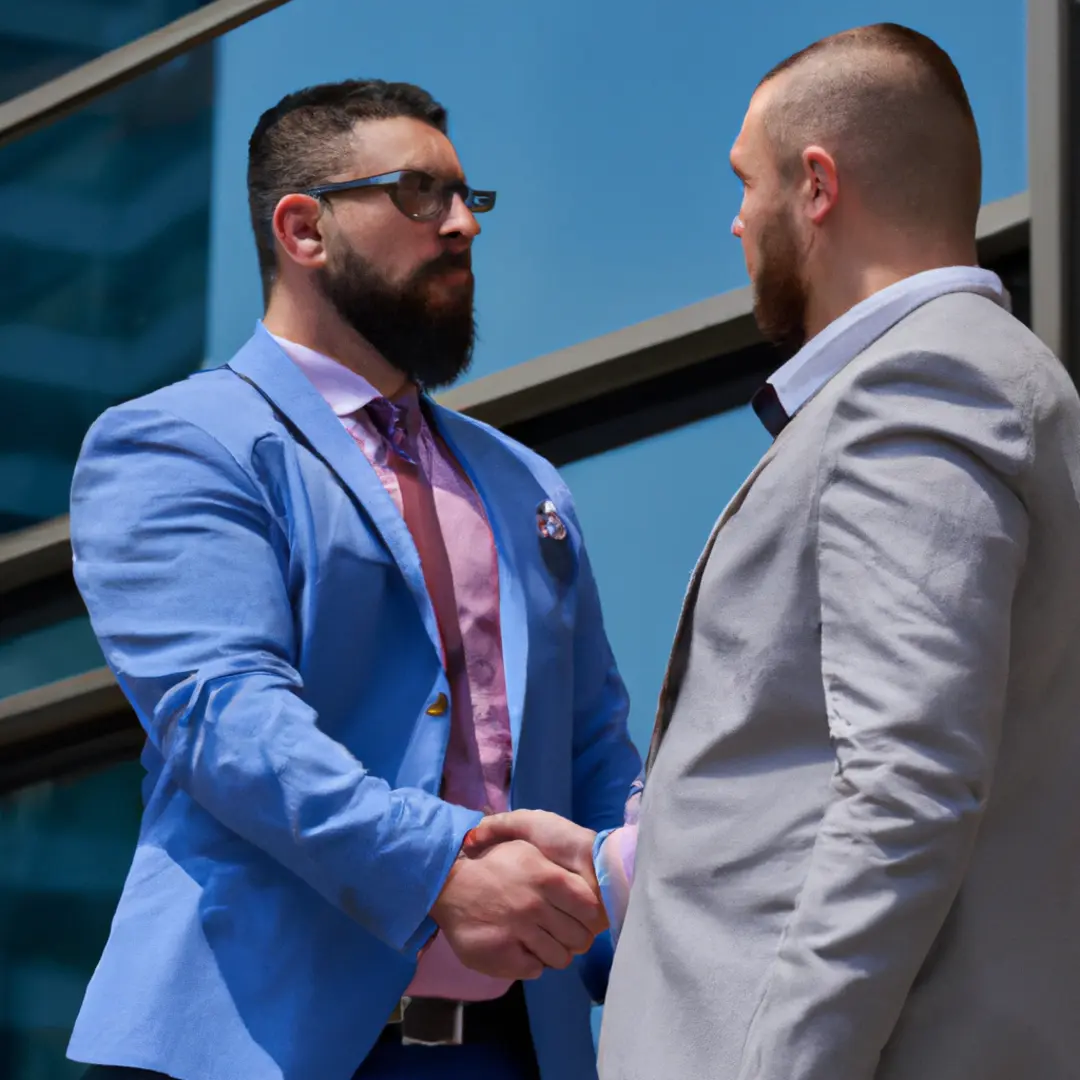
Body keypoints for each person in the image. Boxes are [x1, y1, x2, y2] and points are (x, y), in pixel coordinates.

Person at [468, 23, 1080, 1080]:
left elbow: (909, 788)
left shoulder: (919, 388)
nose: (736, 220)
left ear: (817, 184)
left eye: (746, 183)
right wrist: (630, 865)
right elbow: (813, 777)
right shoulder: (956, 386)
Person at [65, 79, 640, 1080]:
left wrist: (648, 913)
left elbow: (594, 752)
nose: (461, 225)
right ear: (304, 228)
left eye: (467, 198)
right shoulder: (182, 442)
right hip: (259, 1048)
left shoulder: (525, 483)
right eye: (418, 195)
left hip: (516, 1053)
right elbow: (227, 716)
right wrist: (444, 870)